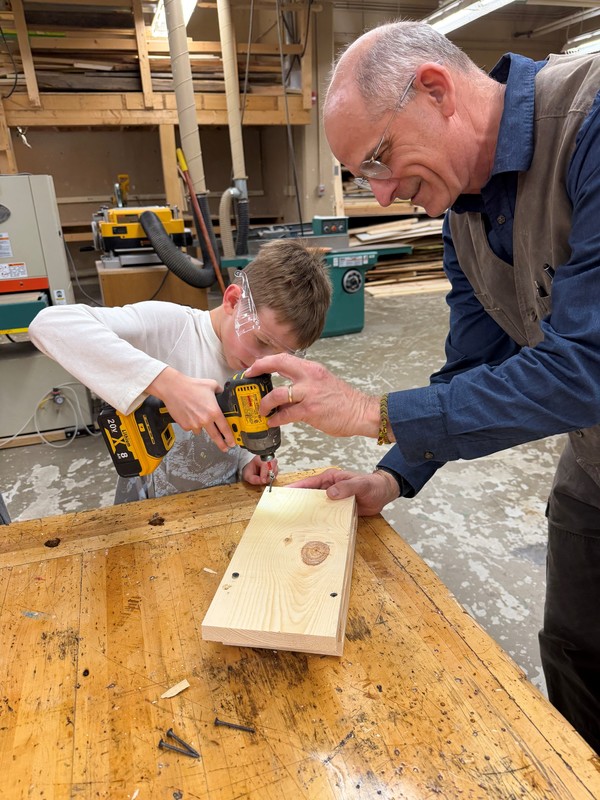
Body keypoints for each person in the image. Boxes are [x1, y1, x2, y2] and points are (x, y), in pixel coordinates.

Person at [245, 21, 600, 752]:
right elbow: (470, 369)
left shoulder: (589, 125)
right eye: (360, 176)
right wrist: (393, 477)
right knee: (574, 651)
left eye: (378, 158)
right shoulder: (460, 213)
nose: (380, 191)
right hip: (594, 468)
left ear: (436, 91)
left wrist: (372, 410)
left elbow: (587, 365)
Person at [29, 239, 331, 503]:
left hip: (216, 501)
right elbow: (48, 325)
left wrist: (247, 459)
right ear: (233, 300)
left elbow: (237, 423)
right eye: (261, 341)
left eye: (280, 354)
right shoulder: (170, 326)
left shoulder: (257, 362)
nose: (263, 361)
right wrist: (166, 383)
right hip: (146, 503)